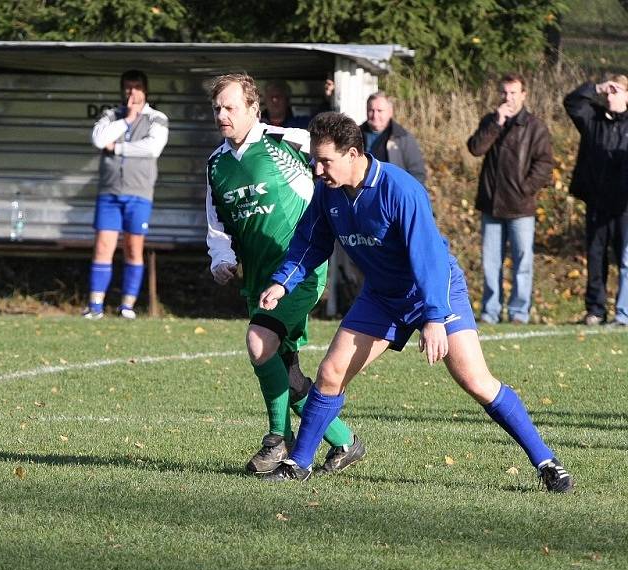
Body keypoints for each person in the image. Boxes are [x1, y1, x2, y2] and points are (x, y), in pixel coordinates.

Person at [258, 111, 574, 493]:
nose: (317, 167)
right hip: (382, 296)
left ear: (354, 153)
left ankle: (546, 461)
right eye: (315, 158)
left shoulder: (400, 189)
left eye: (325, 160)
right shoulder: (328, 193)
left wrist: (435, 317)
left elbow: (429, 258)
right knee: (330, 373)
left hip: (436, 288)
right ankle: (298, 463)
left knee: (475, 381)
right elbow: (310, 243)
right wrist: (282, 282)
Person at [206, 73, 365, 476]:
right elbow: (216, 223)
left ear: (253, 109)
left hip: (298, 272)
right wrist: (220, 257)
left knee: (260, 343)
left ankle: (278, 440)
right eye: (218, 108)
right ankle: (346, 441)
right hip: (257, 278)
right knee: (286, 372)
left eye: (231, 107)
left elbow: (338, 161)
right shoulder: (217, 164)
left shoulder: (286, 142)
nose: (223, 115)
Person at [467, 73, 554, 325]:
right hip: (491, 205)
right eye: (504, 93)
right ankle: (490, 311)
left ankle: (519, 312)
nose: (508, 97)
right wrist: (496, 123)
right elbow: (475, 148)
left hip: (521, 207)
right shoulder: (491, 121)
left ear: (524, 95)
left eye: (514, 93)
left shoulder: (535, 126)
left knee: (522, 262)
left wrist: (526, 188)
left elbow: (545, 163)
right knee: (491, 263)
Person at [86, 69, 169, 320]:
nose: (132, 93)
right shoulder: (112, 115)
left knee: (133, 248)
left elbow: (152, 148)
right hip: (109, 192)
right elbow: (99, 140)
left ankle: (127, 306)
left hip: (139, 193)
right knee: (103, 246)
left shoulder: (157, 118)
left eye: (137, 87)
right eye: (128, 87)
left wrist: (119, 148)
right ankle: (96, 306)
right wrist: (127, 120)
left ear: (145, 90)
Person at [564, 75, 628, 327]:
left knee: (624, 260)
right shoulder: (594, 120)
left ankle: (623, 312)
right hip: (597, 202)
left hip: (624, 205)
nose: (611, 96)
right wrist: (597, 87)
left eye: (616, 91)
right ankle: (596, 309)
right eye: (608, 92)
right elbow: (571, 103)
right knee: (596, 256)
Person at [361, 91, 426, 185]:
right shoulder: (355, 135)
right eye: (371, 110)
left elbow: (417, 174)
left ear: (390, 112)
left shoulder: (403, 138)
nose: (375, 115)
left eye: (380, 111)